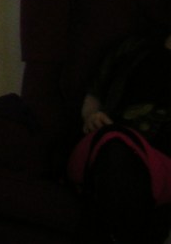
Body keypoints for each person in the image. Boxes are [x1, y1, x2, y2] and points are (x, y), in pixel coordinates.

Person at [70, 26, 171, 244]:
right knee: (115, 147)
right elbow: (93, 97)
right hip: (103, 143)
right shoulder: (132, 46)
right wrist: (91, 116)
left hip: (161, 163)